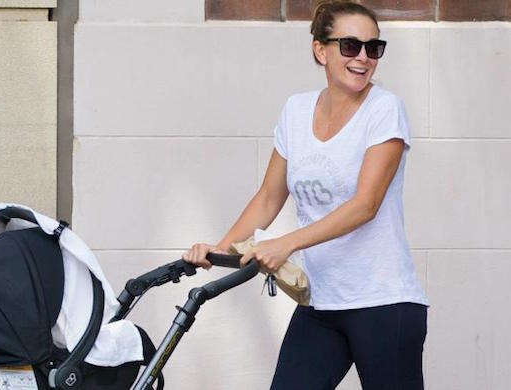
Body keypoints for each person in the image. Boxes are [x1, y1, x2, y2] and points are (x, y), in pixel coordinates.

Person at [182, 1, 429, 389]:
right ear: (320, 49)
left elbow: (365, 205)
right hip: (320, 303)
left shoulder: (384, 110)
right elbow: (268, 197)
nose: (363, 57)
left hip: (384, 303)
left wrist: (285, 244)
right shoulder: (296, 111)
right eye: (350, 46)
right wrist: (219, 249)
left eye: (373, 48)